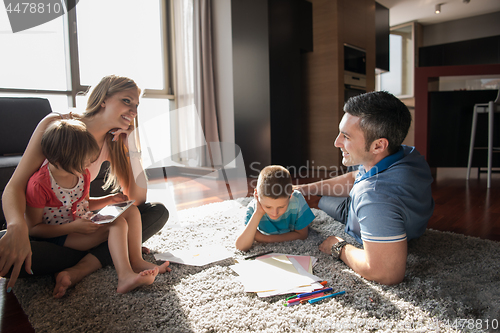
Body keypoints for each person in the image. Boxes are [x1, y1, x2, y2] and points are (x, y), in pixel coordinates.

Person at [0, 75, 170, 297]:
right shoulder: (58, 127)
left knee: (155, 211)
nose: (134, 111)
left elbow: (136, 201)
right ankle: (109, 253)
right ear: (103, 100)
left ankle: (87, 264)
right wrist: (16, 227)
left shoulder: (114, 141)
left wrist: (132, 146)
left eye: (137, 105)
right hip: (46, 228)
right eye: (127, 101)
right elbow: (15, 186)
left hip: (81, 221)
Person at [298, 91, 434, 285]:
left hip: (365, 214)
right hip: (395, 215)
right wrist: (304, 188)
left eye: (346, 136)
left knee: (321, 202)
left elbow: (387, 272)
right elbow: (356, 176)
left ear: (379, 145)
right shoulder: (407, 153)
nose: (337, 142)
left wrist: (339, 247)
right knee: (319, 196)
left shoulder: (374, 196)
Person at [24, 119, 170, 293]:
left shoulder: (82, 174)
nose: (89, 164)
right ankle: (124, 276)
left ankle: (136, 260)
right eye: (84, 161)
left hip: (82, 223)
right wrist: (73, 227)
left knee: (129, 210)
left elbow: (84, 204)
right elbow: (33, 229)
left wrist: (108, 199)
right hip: (60, 234)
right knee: (118, 224)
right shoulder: (39, 185)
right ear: (62, 159)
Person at [235, 165, 315, 252]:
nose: (274, 213)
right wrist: (258, 213)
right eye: (268, 207)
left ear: (290, 194)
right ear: (257, 196)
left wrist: (265, 238)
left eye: (281, 207)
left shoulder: (297, 200)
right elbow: (240, 247)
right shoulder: (254, 208)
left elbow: (302, 235)